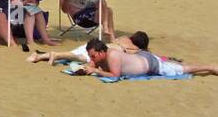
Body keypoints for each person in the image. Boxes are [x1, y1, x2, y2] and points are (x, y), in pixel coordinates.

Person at [82, 39, 218, 79]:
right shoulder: (101, 56)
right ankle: (171, 61)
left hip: (151, 65)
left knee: (183, 70)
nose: (91, 58)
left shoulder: (113, 56)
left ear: (101, 52)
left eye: (93, 55)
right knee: (171, 65)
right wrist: (88, 66)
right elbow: (92, 63)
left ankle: (210, 67)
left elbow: (114, 76)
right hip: (142, 57)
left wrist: (97, 72)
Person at [28, 30, 151, 65]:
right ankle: (55, 55)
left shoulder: (123, 39)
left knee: (72, 54)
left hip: (95, 45)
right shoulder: (134, 49)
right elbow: (144, 55)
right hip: (98, 51)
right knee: (81, 57)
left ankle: (38, 56)